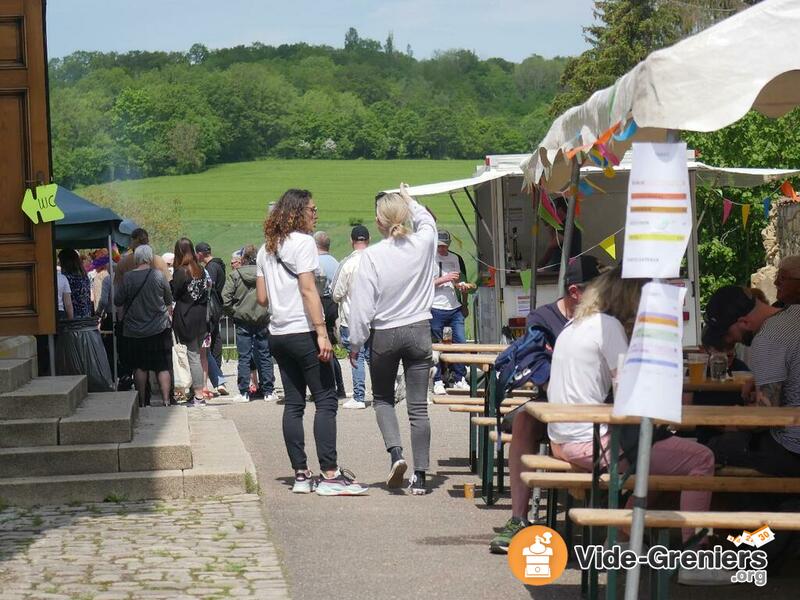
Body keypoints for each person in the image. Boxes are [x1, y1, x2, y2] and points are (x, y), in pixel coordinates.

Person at [547, 267, 728, 585]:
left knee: (660, 460)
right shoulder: (609, 327)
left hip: (564, 439)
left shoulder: (575, 326)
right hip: (592, 441)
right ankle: (693, 556)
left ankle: (620, 537)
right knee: (700, 458)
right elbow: (631, 394)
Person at [256, 188, 367, 496]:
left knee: (293, 404)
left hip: (277, 334)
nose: (316, 214)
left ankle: (301, 474)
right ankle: (330, 474)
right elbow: (308, 290)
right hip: (304, 331)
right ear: (297, 212)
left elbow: (262, 298)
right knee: (326, 400)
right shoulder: (303, 243)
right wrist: (321, 331)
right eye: (312, 210)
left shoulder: (267, 249)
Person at [490, 255, 601, 554]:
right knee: (526, 419)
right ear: (576, 292)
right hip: (554, 404)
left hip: (601, 405)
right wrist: (557, 384)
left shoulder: (605, 319)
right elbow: (533, 358)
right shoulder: (543, 318)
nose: (604, 294)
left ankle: (627, 524)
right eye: (597, 288)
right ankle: (518, 518)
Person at [348, 186, 436, 495]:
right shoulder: (424, 243)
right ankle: (422, 475)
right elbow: (428, 221)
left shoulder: (371, 256)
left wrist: (356, 343)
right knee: (418, 408)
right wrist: (409, 199)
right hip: (419, 328)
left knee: (383, 398)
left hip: (385, 331)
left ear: (381, 222)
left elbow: (361, 305)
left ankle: (396, 454)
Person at [702, 285, 800, 476]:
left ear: (744, 322)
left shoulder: (766, 338)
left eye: (729, 334)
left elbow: (765, 417)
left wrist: (736, 418)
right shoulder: (794, 313)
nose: (732, 342)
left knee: (713, 449)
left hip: (793, 448)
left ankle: (777, 504)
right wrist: (759, 379)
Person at [114, 244, 174, 407]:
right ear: (149, 258)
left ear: (136, 259)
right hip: (159, 328)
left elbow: (117, 300)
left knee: (140, 367)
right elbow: (169, 299)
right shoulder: (159, 276)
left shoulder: (127, 277)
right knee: (162, 366)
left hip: (134, 330)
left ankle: (141, 401)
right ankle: (166, 400)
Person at [222, 244, 277, 402]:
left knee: (244, 356)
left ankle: (244, 391)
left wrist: (234, 313)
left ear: (243, 259)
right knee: (265, 355)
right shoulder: (265, 274)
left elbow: (225, 300)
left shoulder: (235, 275)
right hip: (263, 318)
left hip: (242, 320)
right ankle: (268, 390)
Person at [331, 225, 371, 409]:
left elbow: (336, 294)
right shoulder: (377, 261)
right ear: (368, 240)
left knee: (357, 357)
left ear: (352, 241)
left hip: (352, 317)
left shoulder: (347, 263)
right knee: (374, 357)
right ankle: (380, 394)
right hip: (374, 318)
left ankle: (359, 396)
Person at [171, 237, 211, 408]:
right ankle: (198, 392)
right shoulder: (200, 270)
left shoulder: (181, 271)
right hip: (200, 316)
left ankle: (198, 394)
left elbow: (175, 294)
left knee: (193, 356)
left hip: (186, 316)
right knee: (196, 355)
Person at [431, 230, 469, 395]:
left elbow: (460, 281)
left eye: (445, 246)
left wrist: (462, 289)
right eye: (439, 246)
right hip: (435, 307)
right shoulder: (428, 259)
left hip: (454, 307)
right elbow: (423, 285)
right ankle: (438, 380)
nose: (442, 249)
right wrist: (444, 279)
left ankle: (460, 378)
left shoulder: (455, 258)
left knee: (460, 343)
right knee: (437, 347)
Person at [313, 230, 346, 400]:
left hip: (320, 304)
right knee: (330, 348)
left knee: (322, 348)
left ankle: (328, 387)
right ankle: (339, 386)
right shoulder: (336, 262)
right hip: (334, 304)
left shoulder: (314, 262)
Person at [196, 242, 228, 396]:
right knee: (215, 341)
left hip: (210, 309)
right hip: (217, 308)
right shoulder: (220, 265)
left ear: (200, 253)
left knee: (207, 346)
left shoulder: (211, 268)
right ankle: (218, 377)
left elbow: (209, 288)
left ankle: (218, 377)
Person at [537, 197, 582, 271]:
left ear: (560, 209)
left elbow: (553, 245)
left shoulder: (566, 225)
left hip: (566, 270)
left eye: (553, 210)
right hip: (565, 268)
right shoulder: (567, 224)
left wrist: (540, 264)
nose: (551, 213)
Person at [58, 248, 93, 318]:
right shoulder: (84, 277)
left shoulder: (67, 278)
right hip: (86, 315)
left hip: (73, 317)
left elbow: (67, 303)